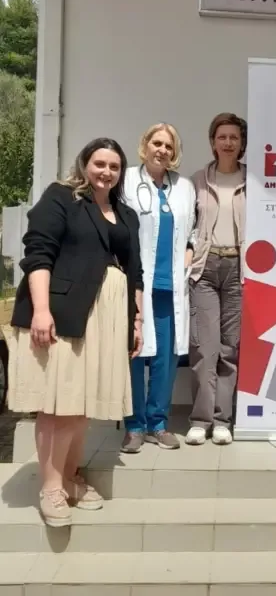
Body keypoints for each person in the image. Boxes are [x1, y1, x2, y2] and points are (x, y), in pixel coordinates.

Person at [6, 138, 143, 527]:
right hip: (63, 313)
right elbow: (38, 253)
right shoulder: (61, 197)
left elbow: (135, 272)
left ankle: (68, 477)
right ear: (84, 164)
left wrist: (136, 322)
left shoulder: (126, 213)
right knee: (58, 405)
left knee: (82, 407)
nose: (106, 172)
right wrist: (42, 311)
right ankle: (50, 487)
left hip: (107, 318)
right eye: (99, 163)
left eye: (114, 166)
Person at [120, 124, 197, 453]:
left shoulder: (185, 187)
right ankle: (134, 426)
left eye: (168, 146)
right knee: (135, 355)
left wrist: (190, 249)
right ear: (145, 145)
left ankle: (158, 423)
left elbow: (193, 229)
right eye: (157, 143)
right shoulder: (126, 181)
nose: (162, 150)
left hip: (170, 286)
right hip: (137, 284)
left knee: (166, 358)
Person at [186, 112, 247, 446]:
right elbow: (186, 227)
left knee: (229, 348)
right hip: (205, 269)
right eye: (222, 136)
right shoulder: (197, 181)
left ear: (242, 143)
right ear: (213, 142)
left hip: (240, 269)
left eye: (234, 137)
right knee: (204, 349)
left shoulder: (254, 182)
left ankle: (223, 420)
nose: (228, 142)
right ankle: (201, 420)